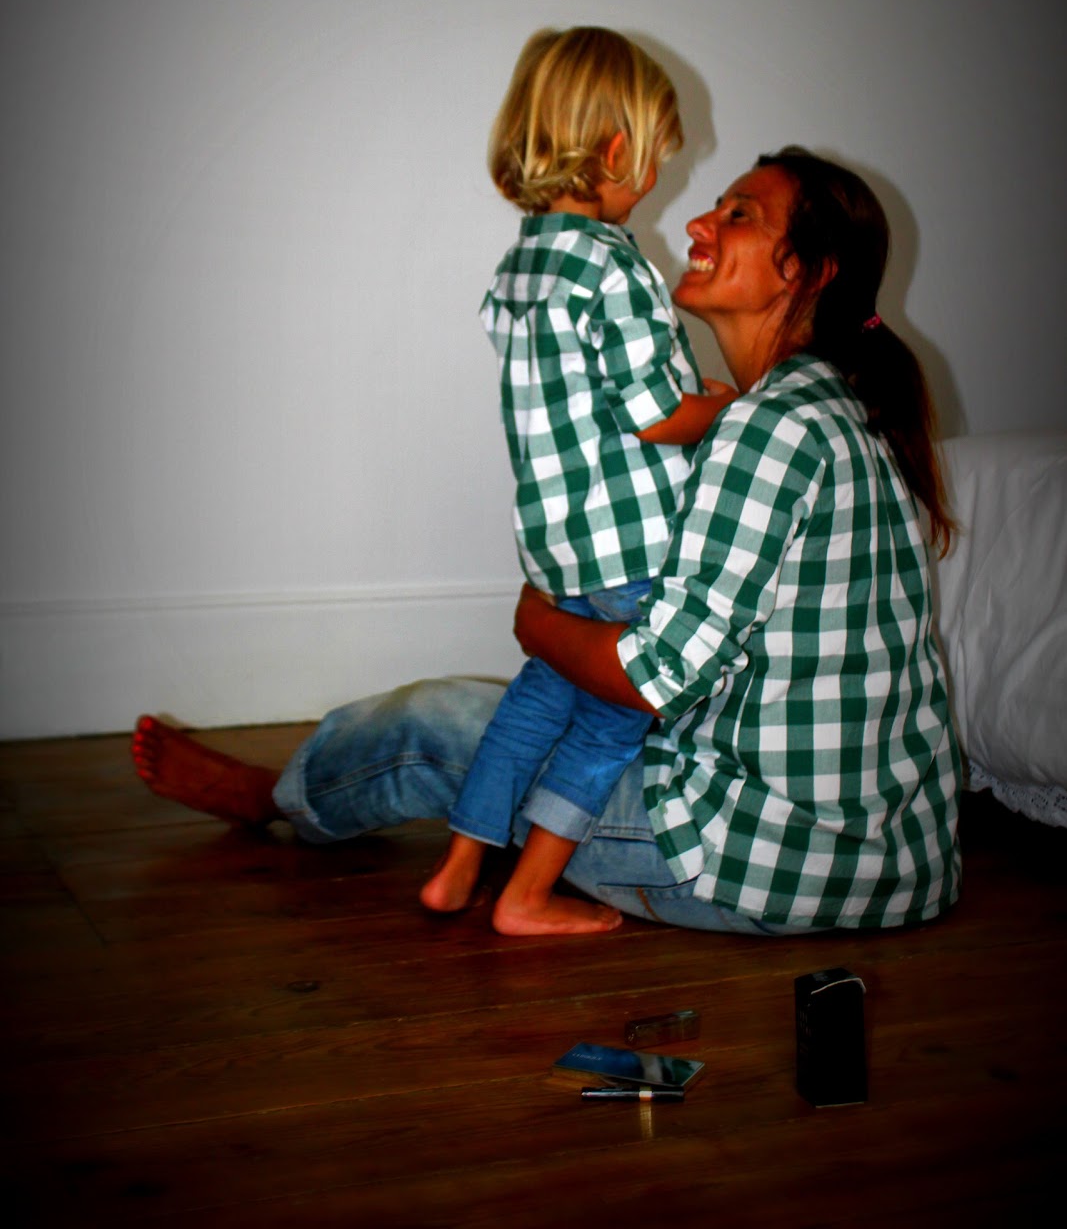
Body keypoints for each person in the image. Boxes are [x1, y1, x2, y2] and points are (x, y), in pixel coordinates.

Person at [133, 146, 961, 936]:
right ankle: (311, 792)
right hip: (897, 866)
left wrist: (538, 624)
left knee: (441, 720)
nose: (698, 224)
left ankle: (273, 799)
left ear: (809, 271)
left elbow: (648, 679)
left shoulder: (767, 427)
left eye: (738, 214)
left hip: (750, 865)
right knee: (547, 714)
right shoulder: (834, 407)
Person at [419, 27, 734, 934]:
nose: (656, 180)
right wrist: (724, 407)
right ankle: (525, 896)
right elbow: (654, 415)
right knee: (609, 720)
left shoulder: (520, 265)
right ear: (615, 150)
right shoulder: (613, 263)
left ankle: (458, 869)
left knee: (536, 699)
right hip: (629, 543)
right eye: (655, 160)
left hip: (557, 545)